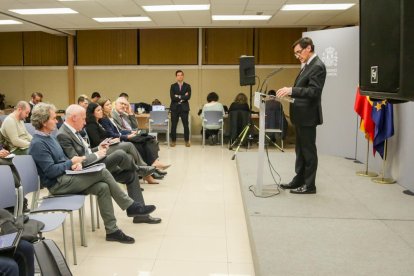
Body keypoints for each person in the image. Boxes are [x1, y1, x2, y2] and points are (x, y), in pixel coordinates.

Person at [28, 103, 156, 243]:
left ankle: (112, 231)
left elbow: (62, 160)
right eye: (53, 118)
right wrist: (71, 163)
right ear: (44, 121)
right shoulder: (38, 143)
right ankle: (130, 206)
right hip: (58, 184)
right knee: (103, 171)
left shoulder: (49, 137)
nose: (57, 121)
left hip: (67, 176)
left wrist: (73, 164)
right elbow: (51, 171)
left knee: (103, 187)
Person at [276, 37, 326, 194]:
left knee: (309, 151)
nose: (297, 56)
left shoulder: (317, 66)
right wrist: (291, 96)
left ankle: (310, 185)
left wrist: (292, 90)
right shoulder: (307, 66)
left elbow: (314, 91)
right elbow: (303, 90)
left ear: (308, 48)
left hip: (308, 117)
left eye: (298, 52)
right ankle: (299, 179)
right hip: (300, 115)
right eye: (295, 53)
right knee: (300, 150)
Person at [85, 102, 162, 184]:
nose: (101, 111)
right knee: (130, 145)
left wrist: (112, 140)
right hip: (101, 149)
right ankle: (144, 168)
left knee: (137, 147)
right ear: (92, 113)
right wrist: (111, 141)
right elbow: (97, 142)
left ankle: (143, 173)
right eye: (98, 110)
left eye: (101, 109)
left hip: (109, 144)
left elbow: (133, 126)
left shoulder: (98, 122)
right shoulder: (92, 125)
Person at [111, 97, 170, 173]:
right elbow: (119, 130)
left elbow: (135, 126)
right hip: (126, 136)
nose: (123, 106)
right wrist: (130, 132)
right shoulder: (113, 114)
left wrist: (130, 113)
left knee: (151, 141)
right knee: (148, 139)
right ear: (115, 104)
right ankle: (154, 166)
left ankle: (153, 167)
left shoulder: (124, 114)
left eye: (125, 104)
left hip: (132, 133)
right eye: (121, 104)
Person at [169, 70, 191, 147]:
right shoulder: (172, 86)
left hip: (184, 108)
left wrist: (177, 96)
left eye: (181, 75)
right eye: (178, 75)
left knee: (186, 125)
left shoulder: (187, 86)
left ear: (183, 76)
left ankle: (187, 141)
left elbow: (188, 97)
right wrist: (182, 97)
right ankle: (173, 141)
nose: (180, 76)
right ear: (176, 77)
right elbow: (172, 97)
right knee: (174, 125)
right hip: (174, 108)